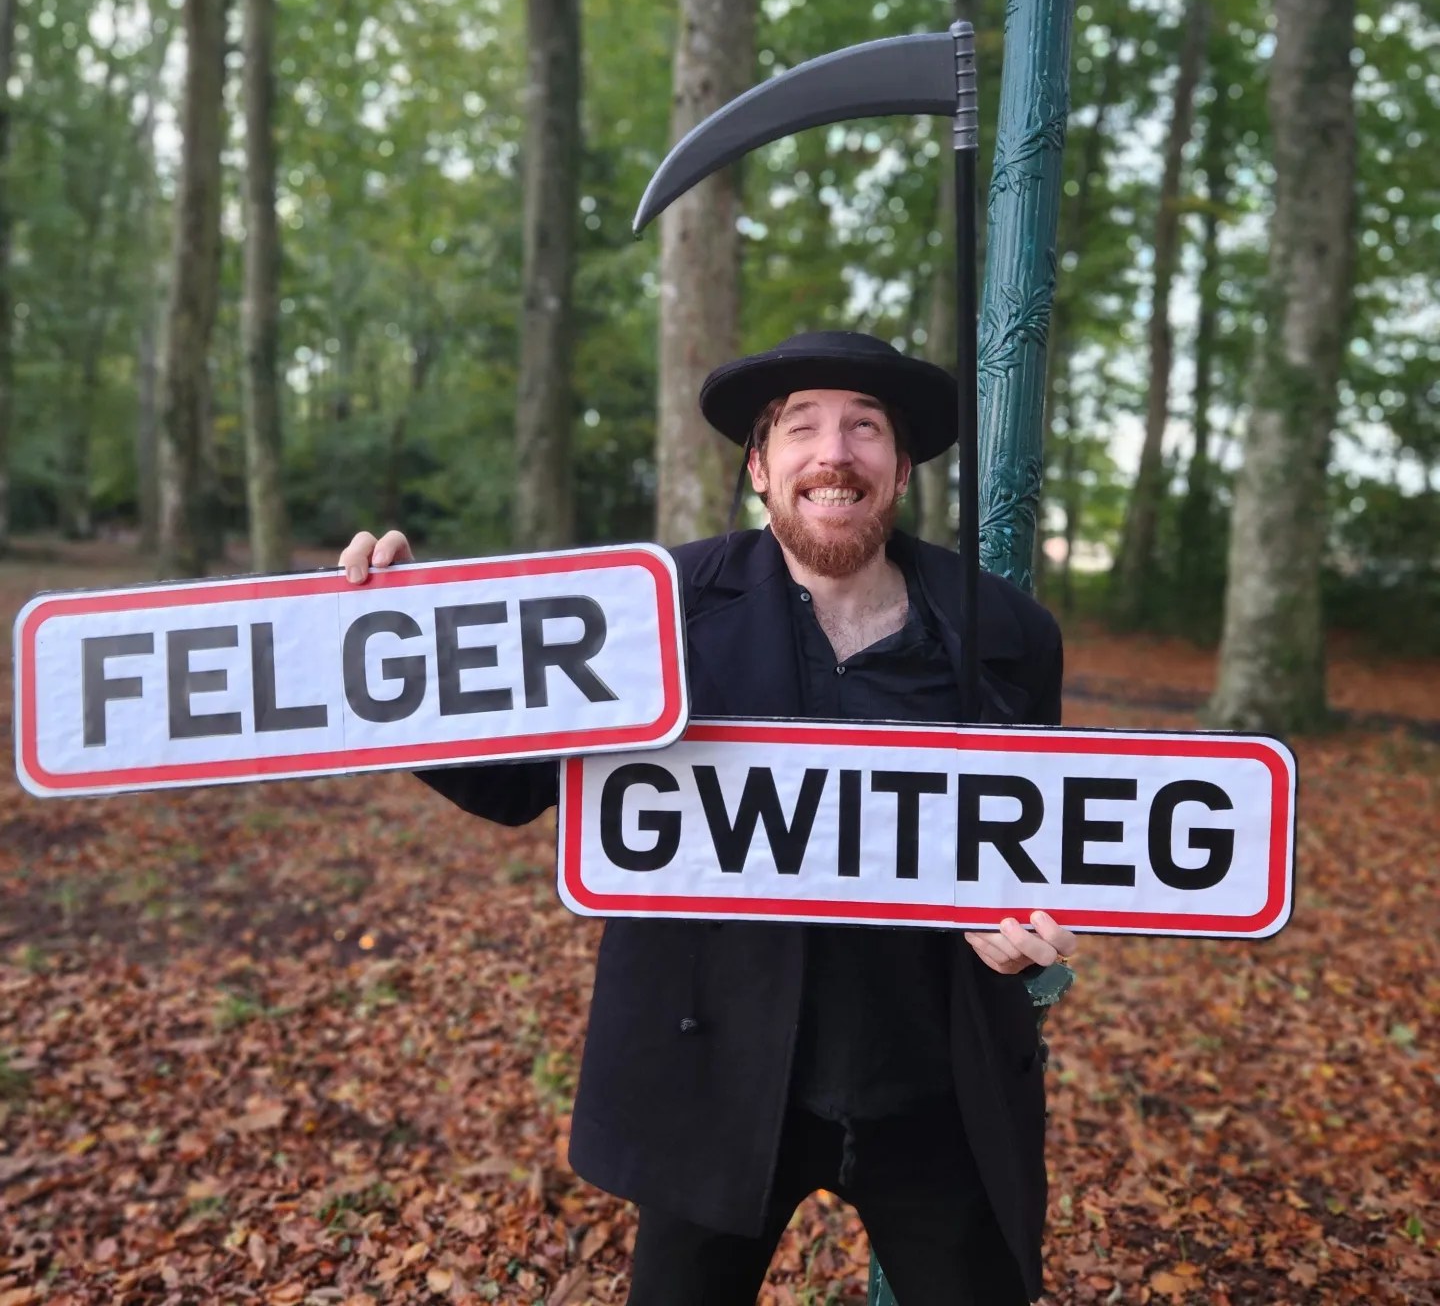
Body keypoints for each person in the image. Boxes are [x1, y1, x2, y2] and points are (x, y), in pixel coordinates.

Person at [340, 330, 1075, 1306]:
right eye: (802, 427)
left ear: (901, 469)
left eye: (865, 428)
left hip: (937, 1086)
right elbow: (510, 781)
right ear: (760, 468)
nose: (835, 453)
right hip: (719, 1079)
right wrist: (391, 640)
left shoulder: (1007, 634)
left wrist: (1027, 934)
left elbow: (1035, 845)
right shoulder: (650, 611)